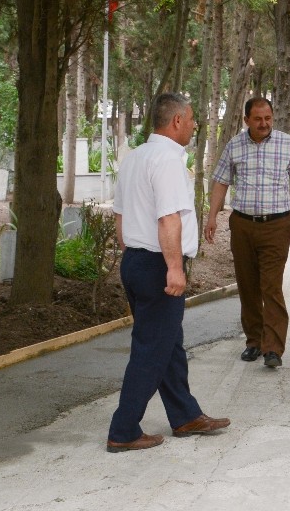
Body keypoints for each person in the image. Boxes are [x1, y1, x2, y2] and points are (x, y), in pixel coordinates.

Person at [107, 93, 230, 453]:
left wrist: (133, 255)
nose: (194, 125)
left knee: (167, 344)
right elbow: (168, 218)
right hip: (158, 264)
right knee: (151, 349)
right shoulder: (166, 160)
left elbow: (119, 215)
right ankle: (124, 429)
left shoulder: (136, 158)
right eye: (191, 119)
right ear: (176, 121)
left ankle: (185, 415)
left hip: (137, 260)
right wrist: (173, 268)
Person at [205, 97, 290, 368]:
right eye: (258, 119)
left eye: (268, 118)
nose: (264, 124)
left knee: (271, 286)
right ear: (246, 120)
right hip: (242, 225)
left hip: (276, 227)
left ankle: (273, 348)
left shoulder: (287, 144)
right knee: (248, 285)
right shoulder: (234, 146)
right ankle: (253, 341)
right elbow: (221, 182)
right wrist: (212, 216)